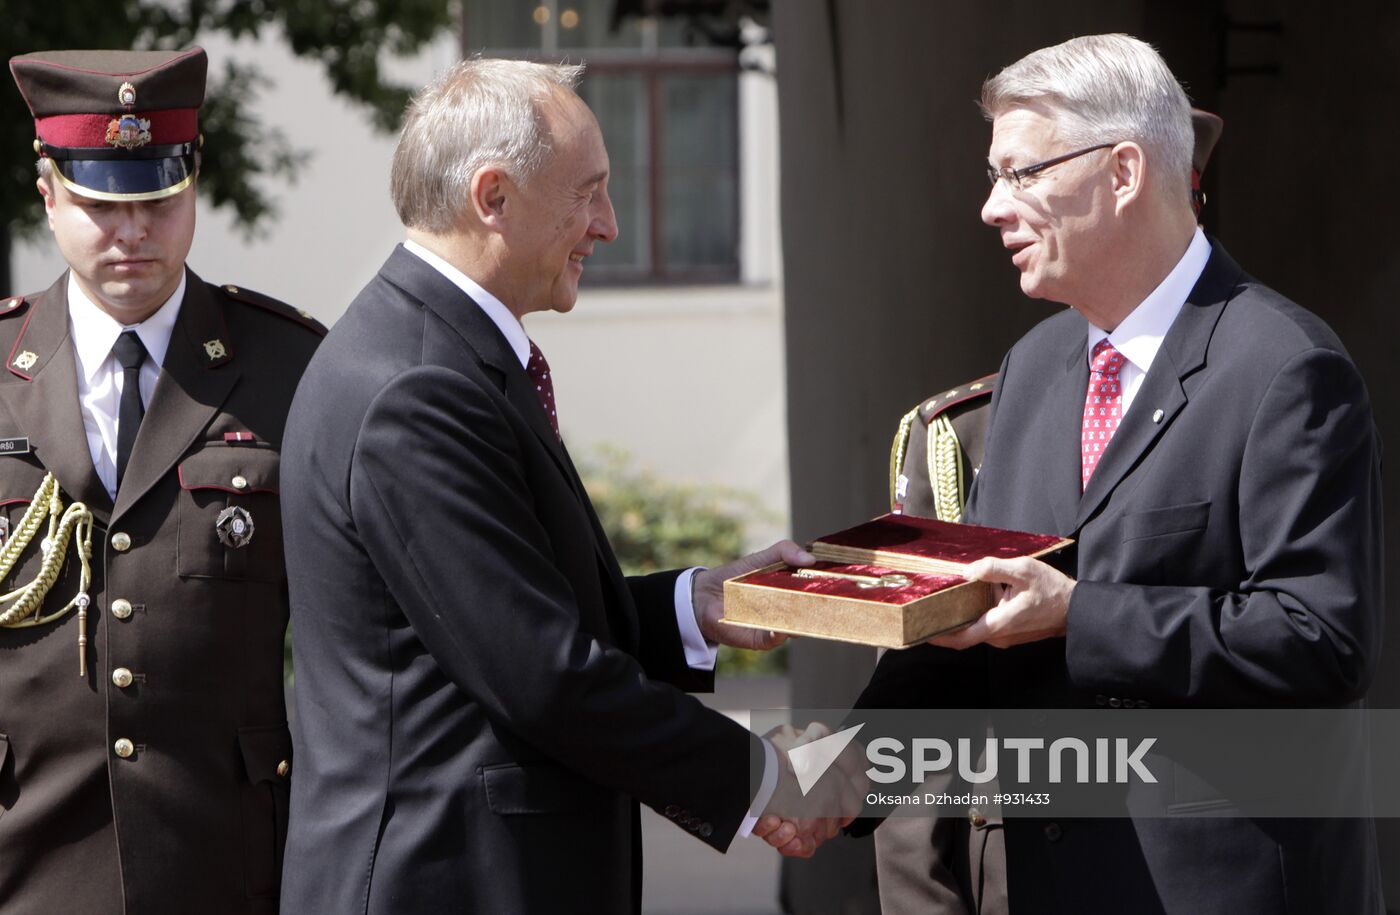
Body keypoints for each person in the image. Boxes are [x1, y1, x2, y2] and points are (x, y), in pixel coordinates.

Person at [278, 58, 853, 914]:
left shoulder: (432, 351)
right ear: (494, 197)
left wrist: (692, 606)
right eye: (588, 192)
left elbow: (511, 614)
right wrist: (766, 778)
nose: (609, 225)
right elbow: (543, 674)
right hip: (445, 883)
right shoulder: (418, 388)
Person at [852, 34, 1384, 914]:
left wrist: (1078, 612)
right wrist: (838, 775)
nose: (992, 207)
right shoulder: (1031, 369)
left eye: (1020, 174)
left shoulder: (1284, 367)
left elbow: (1321, 638)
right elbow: (971, 624)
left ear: (1124, 172)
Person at [0, 49, 324, 913]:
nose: (133, 232)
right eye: (103, 204)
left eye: (157, 199)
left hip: (231, 863)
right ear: (48, 194)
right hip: (27, 863)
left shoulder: (289, 369)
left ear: (194, 185)